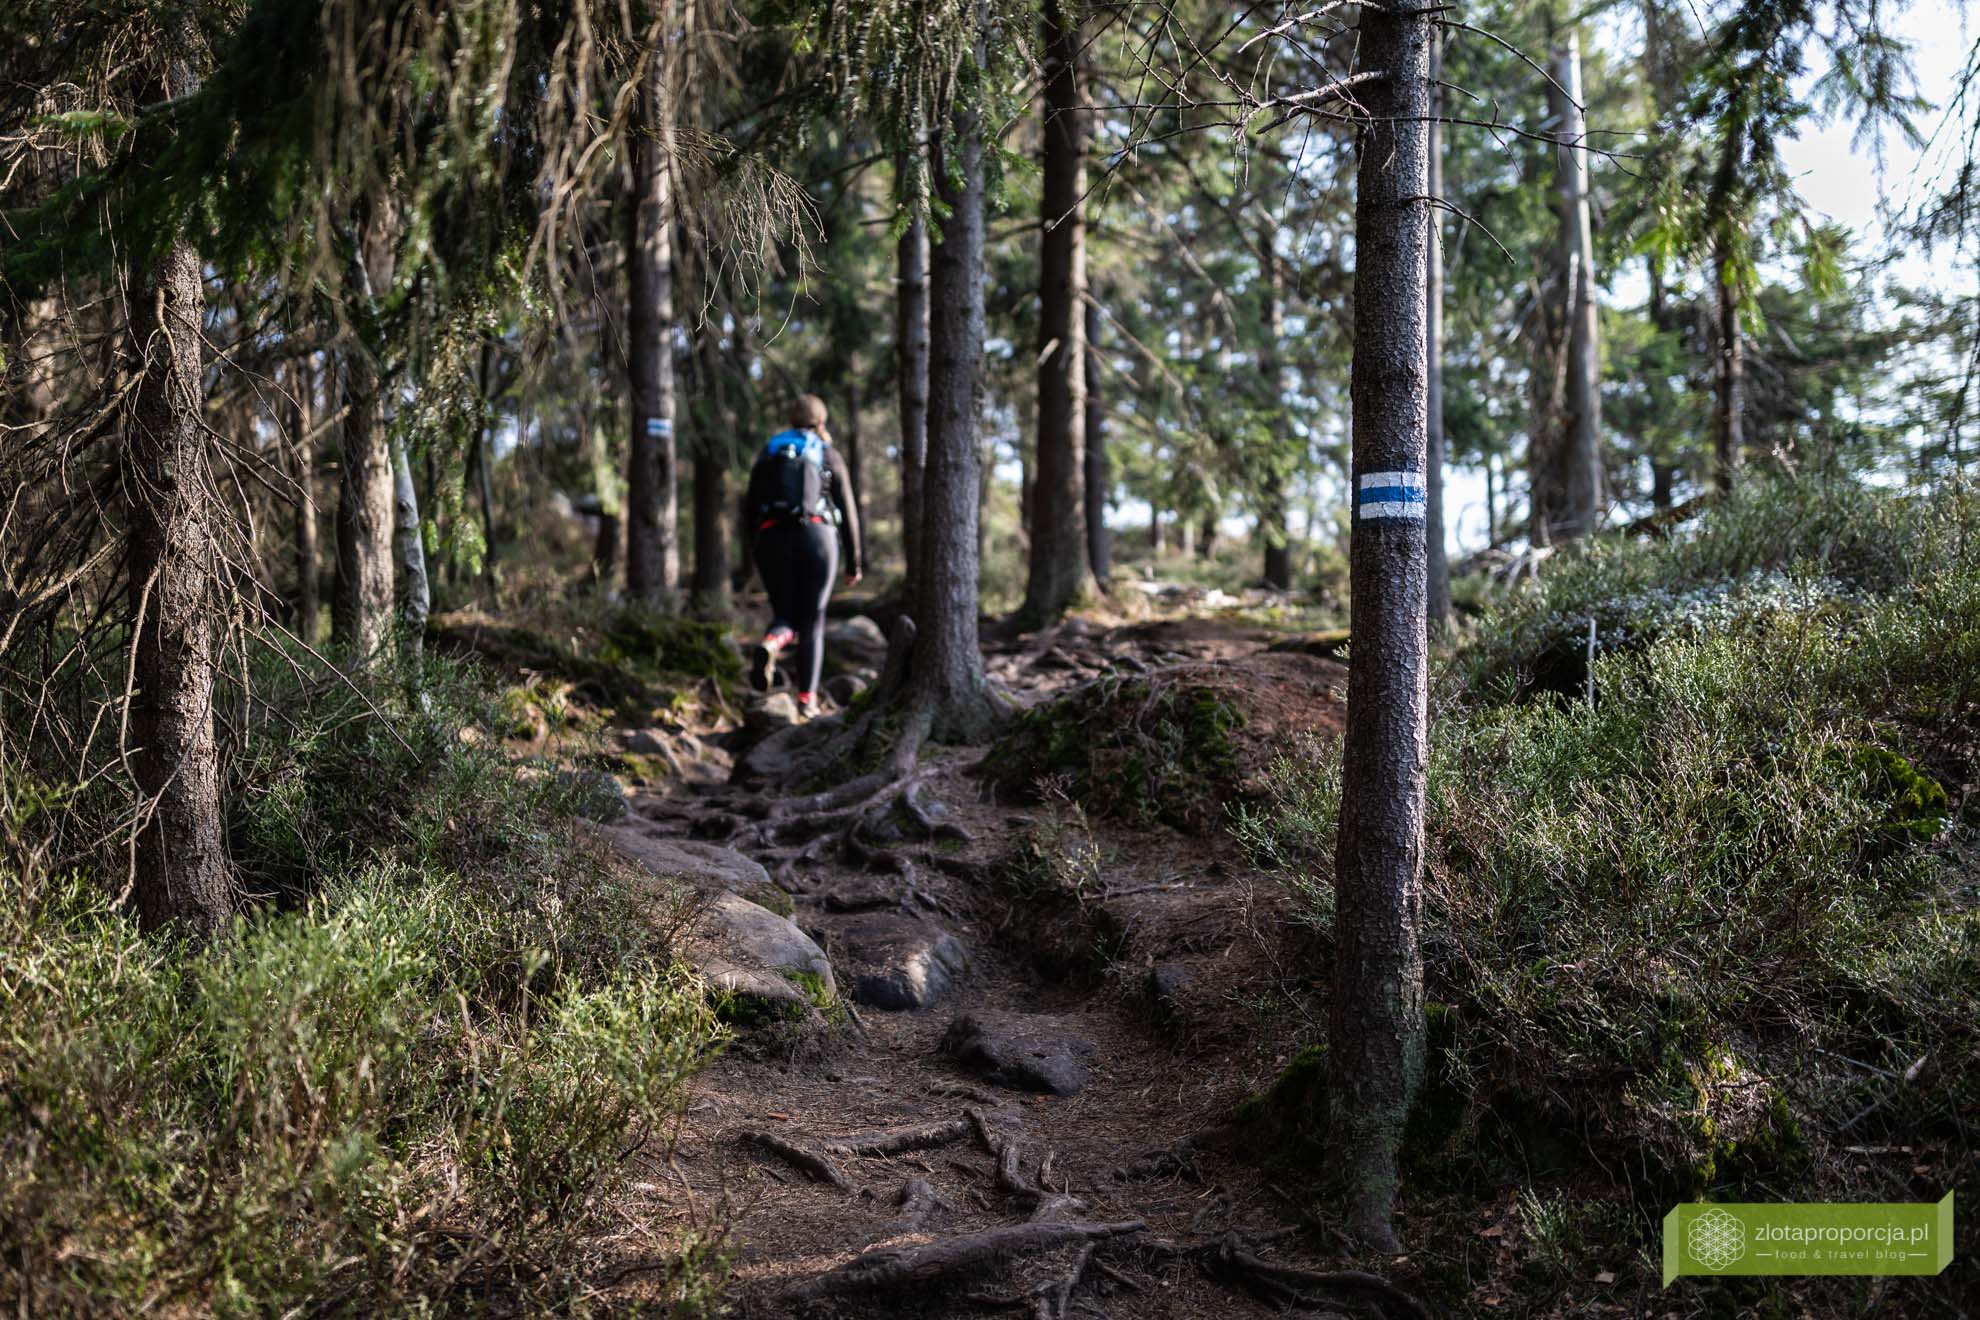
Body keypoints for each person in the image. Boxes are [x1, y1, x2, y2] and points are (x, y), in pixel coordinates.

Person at [744, 394, 863, 714]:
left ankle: (772, 641)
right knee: (812, 622)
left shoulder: (769, 452)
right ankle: (806, 703)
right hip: (817, 537)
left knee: (784, 615)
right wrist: (854, 562)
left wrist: (752, 554)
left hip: (771, 537)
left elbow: (750, 507)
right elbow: (847, 510)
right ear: (820, 421)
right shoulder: (827, 453)